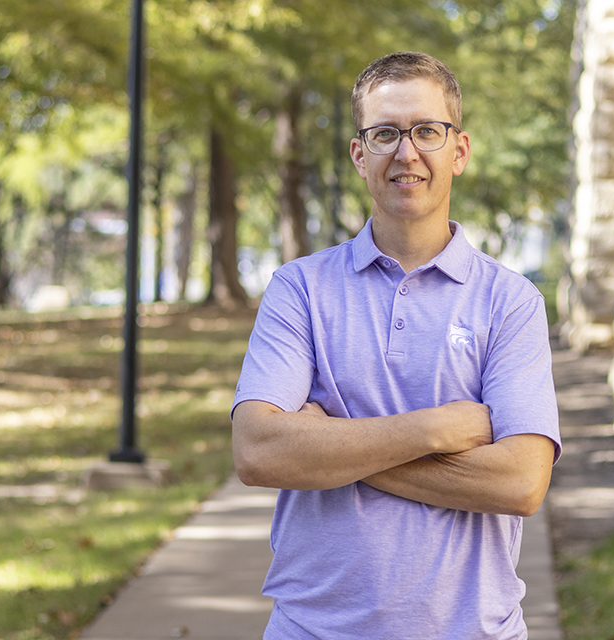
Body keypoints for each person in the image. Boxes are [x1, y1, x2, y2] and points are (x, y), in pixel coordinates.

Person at [231, 51, 560, 640]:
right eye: (385, 134)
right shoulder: (299, 289)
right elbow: (258, 452)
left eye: (427, 131)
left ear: (458, 150)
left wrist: (328, 446)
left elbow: (520, 483)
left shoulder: (510, 301)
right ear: (360, 155)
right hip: (314, 630)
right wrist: (437, 429)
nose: (407, 153)